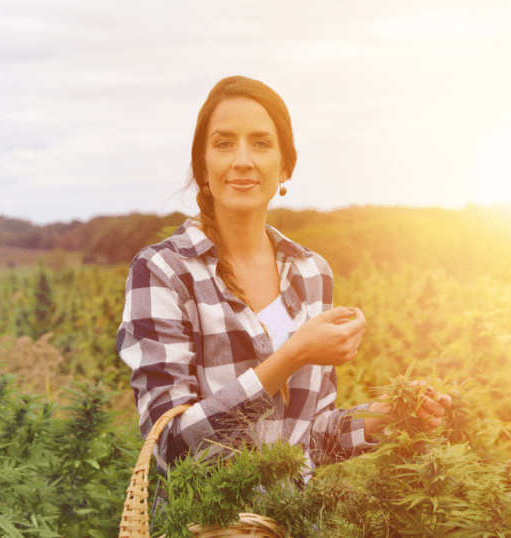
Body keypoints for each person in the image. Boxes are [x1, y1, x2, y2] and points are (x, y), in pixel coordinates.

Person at [117, 75, 451, 474]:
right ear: (203, 167)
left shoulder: (311, 273)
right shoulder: (163, 272)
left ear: (285, 167)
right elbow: (171, 448)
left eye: (260, 143)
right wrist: (292, 356)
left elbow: (311, 438)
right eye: (224, 143)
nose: (242, 159)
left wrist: (385, 416)